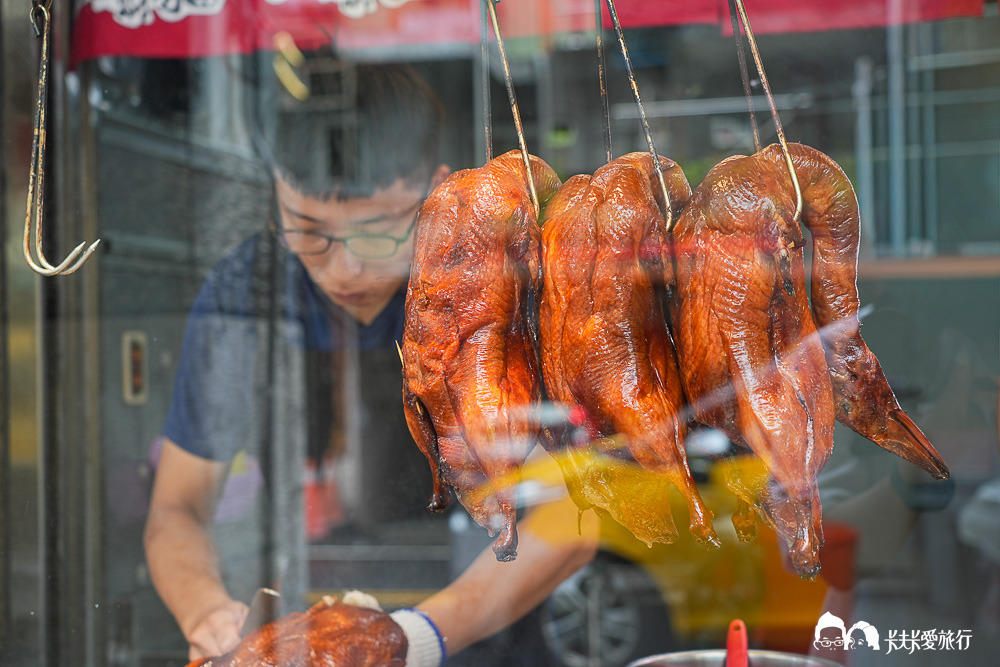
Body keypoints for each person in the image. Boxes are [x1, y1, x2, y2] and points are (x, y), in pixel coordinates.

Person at [143, 55, 598, 664]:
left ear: (436, 192)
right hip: (304, 621)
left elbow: (573, 519)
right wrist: (209, 614)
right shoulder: (246, 292)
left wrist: (413, 640)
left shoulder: (495, 283)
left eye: (378, 231)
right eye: (309, 231)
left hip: (487, 620)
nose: (345, 268)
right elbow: (178, 508)